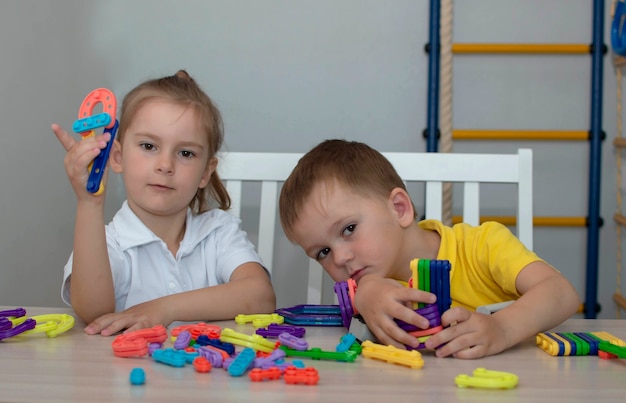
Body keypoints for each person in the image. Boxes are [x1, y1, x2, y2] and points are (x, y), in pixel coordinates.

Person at [278, 139, 580, 359]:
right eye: (323, 253)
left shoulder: (483, 245)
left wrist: (501, 329)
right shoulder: (369, 291)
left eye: (349, 229)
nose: (341, 258)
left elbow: (561, 293)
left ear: (399, 208)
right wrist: (366, 296)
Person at [53, 70, 276, 336]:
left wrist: (162, 310)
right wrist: (89, 203)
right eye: (149, 146)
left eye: (185, 153)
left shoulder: (218, 231)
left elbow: (261, 297)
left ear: (206, 171)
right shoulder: (106, 243)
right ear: (117, 157)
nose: (165, 165)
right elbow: (94, 312)